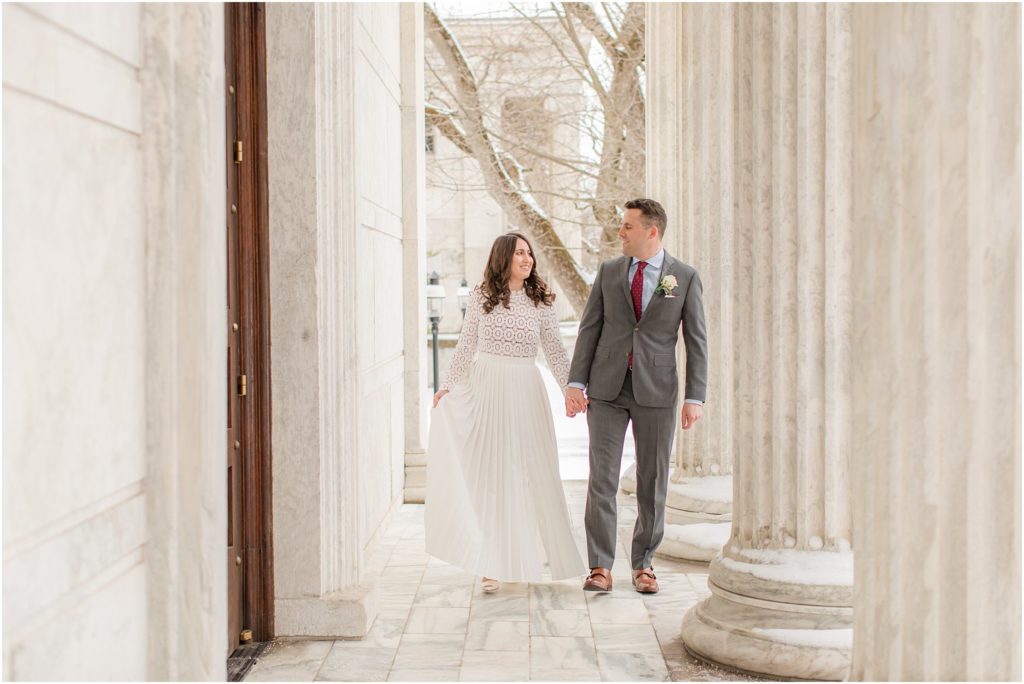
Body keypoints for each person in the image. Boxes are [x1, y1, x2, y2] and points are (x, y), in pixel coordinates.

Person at [425, 232, 585, 593]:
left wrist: (570, 389)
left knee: (530, 472)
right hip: (486, 389)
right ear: (503, 259)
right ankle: (492, 563)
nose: (527, 260)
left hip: (526, 389)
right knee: (493, 474)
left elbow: (556, 351)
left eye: (529, 253)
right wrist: (447, 385)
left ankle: (533, 552)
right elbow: (466, 346)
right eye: (519, 254)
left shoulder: (541, 301)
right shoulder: (482, 297)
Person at [565, 198, 708, 594]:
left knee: (653, 480)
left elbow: (696, 341)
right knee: (602, 479)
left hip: (658, 391)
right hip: (607, 388)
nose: (620, 232)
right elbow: (589, 328)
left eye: (627, 226)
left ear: (651, 231)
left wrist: (695, 396)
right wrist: (576, 383)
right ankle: (599, 565)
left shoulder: (685, 277)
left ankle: (644, 564)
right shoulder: (609, 272)